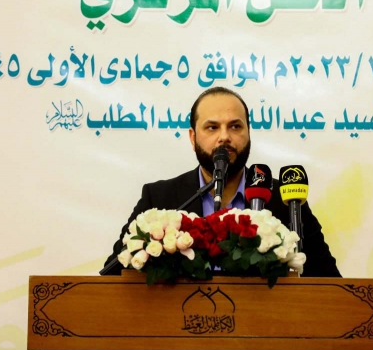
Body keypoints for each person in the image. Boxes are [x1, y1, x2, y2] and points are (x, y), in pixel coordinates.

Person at [103, 87, 341, 277]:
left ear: (248, 133)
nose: (224, 136)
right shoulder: (160, 198)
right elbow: (112, 278)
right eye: (212, 127)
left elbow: (329, 284)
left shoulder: (285, 199)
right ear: (193, 137)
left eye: (235, 126)